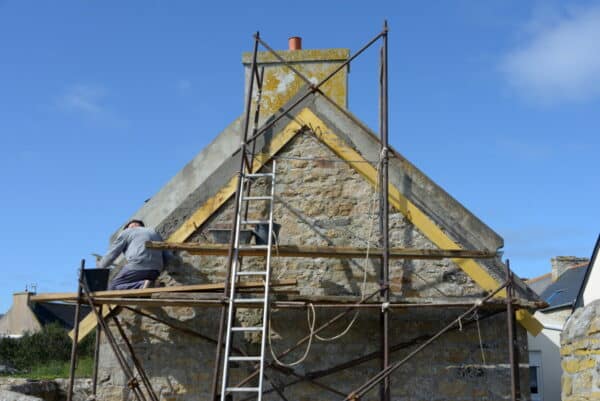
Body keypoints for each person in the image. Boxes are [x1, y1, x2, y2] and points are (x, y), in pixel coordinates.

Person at [99, 219, 166, 290]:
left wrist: (100, 268)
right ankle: (149, 285)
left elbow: (112, 253)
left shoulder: (127, 231)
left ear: (130, 226)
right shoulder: (154, 232)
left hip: (137, 266)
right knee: (141, 292)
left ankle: (142, 284)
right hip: (155, 270)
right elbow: (167, 253)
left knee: (113, 287)